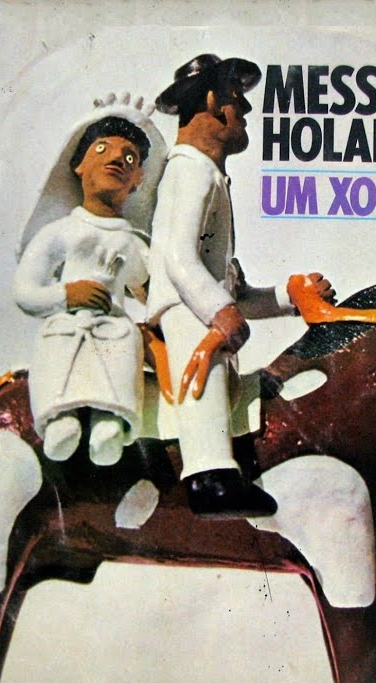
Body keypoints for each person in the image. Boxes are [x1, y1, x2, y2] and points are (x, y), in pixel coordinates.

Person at [147, 54, 334, 519]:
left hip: (199, 300)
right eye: (237, 98)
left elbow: (234, 292)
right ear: (213, 101)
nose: (245, 110)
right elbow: (178, 257)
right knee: (203, 363)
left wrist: (289, 296)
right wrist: (218, 311)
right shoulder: (190, 169)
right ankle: (209, 476)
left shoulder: (207, 173)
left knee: (222, 368)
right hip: (184, 308)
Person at [14, 96, 167, 466]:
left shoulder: (132, 243)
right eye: (102, 148)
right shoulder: (59, 232)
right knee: (58, 344)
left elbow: (152, 287)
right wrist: (68, 294)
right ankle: (60, 417)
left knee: (124, 340)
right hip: (67, 327)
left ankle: (109, 421)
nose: (116, 159)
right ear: (79, 164)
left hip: (114, 331)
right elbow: (25, 292)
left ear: (138, 180)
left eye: (130, 157)